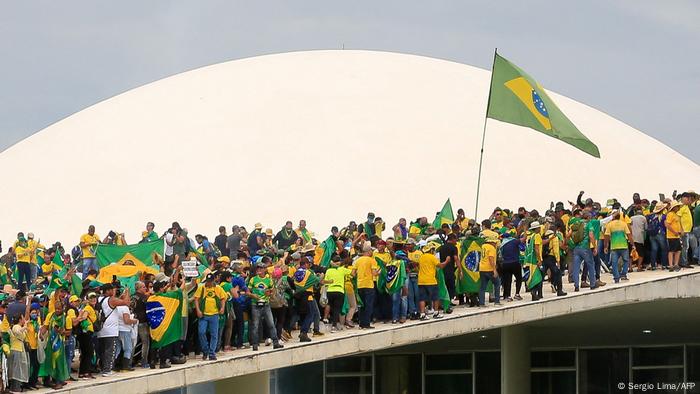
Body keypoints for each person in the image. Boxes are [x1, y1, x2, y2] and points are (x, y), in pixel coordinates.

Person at [96, 283, 131, 377]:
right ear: (107, 291)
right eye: (112, 289)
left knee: (103, 351)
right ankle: (107, 370)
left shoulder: (99, 299)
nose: (113, 291)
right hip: (110, 331)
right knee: (110, 351)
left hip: (100, 330)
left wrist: (118, 296)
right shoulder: (111, 299)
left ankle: (103, 368)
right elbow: (126, 302)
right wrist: (127, 292)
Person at [247, 264, 283, 351]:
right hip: (255, 304)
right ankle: (255, 344)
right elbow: (248, 291)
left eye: (261, 268)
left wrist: (270, 293)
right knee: (255, 325)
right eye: (258, 268)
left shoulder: (268, 280)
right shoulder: (253, 279)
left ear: (264, 269)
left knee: (271, 323)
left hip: (266, 304)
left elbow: (273, 290)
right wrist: (253, 295)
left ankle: (275, 342)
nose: (259, 269)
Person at [194, 273, 226, 361]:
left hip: (214, 314)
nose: (209, 283)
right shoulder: (202, 288)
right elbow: (196, 299)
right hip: (204, 314)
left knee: (214, 334)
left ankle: (212, 353)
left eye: (210, 281)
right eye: (207, 281)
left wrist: (222, 308)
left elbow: (223, 298)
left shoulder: (218, 288)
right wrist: (198, 310)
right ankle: (205, 350)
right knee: (201, 332)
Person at [417, 242, 448, 320]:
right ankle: (436, 313)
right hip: (431, 280)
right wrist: (447, 261)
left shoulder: (421, 257)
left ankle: (422, 314)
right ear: (431, 250)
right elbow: (440, 266)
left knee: (422, 298)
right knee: (435, 297)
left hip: (421, 281)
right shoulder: (432, 257)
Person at [604, 211, 635, 283]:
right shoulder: (623, 224)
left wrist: (606, 246)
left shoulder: (609, 225)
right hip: (624, 246)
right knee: (626, 261)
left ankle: (616, 278)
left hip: (614, 247)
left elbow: (606, 236)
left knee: (614, 263)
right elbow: (629, 235)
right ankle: (623, 274)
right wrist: (633, 244)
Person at [354, 243, 379, 328]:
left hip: (360, 285)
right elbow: (374, 273)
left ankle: (361, 323)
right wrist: (379, 272)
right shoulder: (372, 260)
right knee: (369, 305)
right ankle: (367, 323)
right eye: (371, 251)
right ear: (368, 252)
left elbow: (353, 273)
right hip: (369, 285)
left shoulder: (358, 260)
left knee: (362, 305)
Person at [77, 293, 97, 379]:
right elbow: (84, 317)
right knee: (89, 352)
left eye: (94, 298)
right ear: (88, 300)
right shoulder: (88, 308)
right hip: (86, 332)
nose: (93, 300)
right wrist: (79, 318)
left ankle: (82, 372)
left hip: (86, 333)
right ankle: (86, 372)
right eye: (91, 298)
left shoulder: (88, 307)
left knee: (86, 353)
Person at [478, 236, 501, 306]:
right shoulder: (492, 248)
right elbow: (491, 259)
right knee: (497, 283)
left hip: (482, 268)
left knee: (482, 287)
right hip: (489, 269)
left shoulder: (483, 246)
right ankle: (497, 301)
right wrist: (494, 270)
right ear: (492, 242)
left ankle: (481, 303)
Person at [499, 232, 523, 301]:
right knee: (519, 278)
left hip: (505, 264)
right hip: (515, 263)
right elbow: (524, 239)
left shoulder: (501, 244)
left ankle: (508, 296)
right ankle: (517, 294)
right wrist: (524, 230)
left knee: (508, 280)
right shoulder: (514, 241)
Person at [132, 281, 150, 368]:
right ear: (138, 288)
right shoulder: (144, 298)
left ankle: (129, 362)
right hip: (142, 322)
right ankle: (144, 362)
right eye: (143, 287)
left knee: (133, 343)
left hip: (133, 322)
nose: (145, 288)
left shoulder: (132, 297)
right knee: (145, 342)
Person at [665, 201, 684, 272]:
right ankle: (671, 265)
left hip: (677, 236)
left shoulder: (676, 215)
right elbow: (667, 224)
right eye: (677, 206)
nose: (678, 208)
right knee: (672, 250)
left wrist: (681, 231)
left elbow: (679, 224)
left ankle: (676, 264)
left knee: (678, 250)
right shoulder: (670, 214)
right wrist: (674, 232)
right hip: (671, 236)